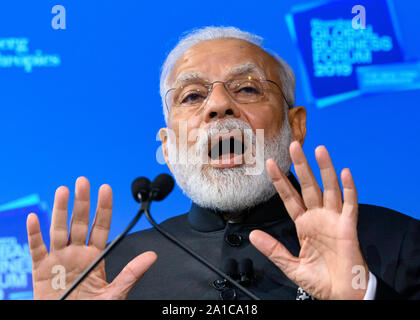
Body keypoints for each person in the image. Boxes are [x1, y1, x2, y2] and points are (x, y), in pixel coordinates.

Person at [26, 26, 420, 300]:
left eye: (247, 88)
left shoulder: (397, 241)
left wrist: (361, 294)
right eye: (193, 96)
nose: (218, 105)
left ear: (295, 125)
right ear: (168, 144)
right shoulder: (109, 270)